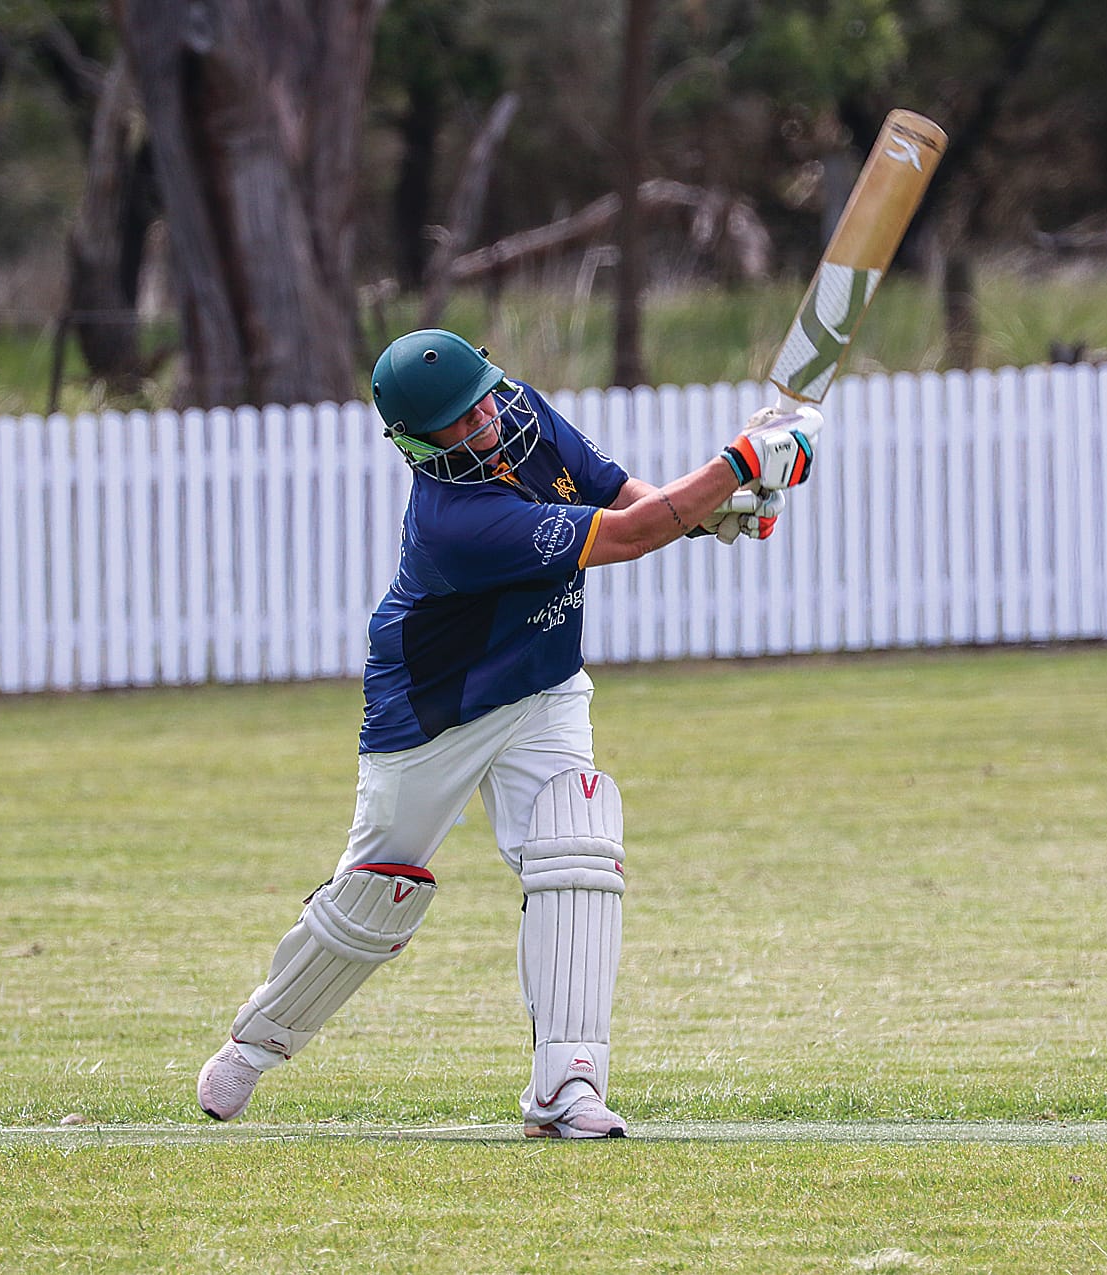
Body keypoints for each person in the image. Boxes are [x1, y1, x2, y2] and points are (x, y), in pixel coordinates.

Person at [196, 329, 819, 1138]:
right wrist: (736, 466)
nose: (484, 421)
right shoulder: (456, 522)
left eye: (482, 400)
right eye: (458, 421)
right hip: (434, 709)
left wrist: (714, 512)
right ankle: (254, 1044)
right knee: (375, 892)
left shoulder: (519, 409)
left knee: (577, 848)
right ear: (417, 445)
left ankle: (566, 1087)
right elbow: (629, 536)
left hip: (543, 682)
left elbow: (621, 497)